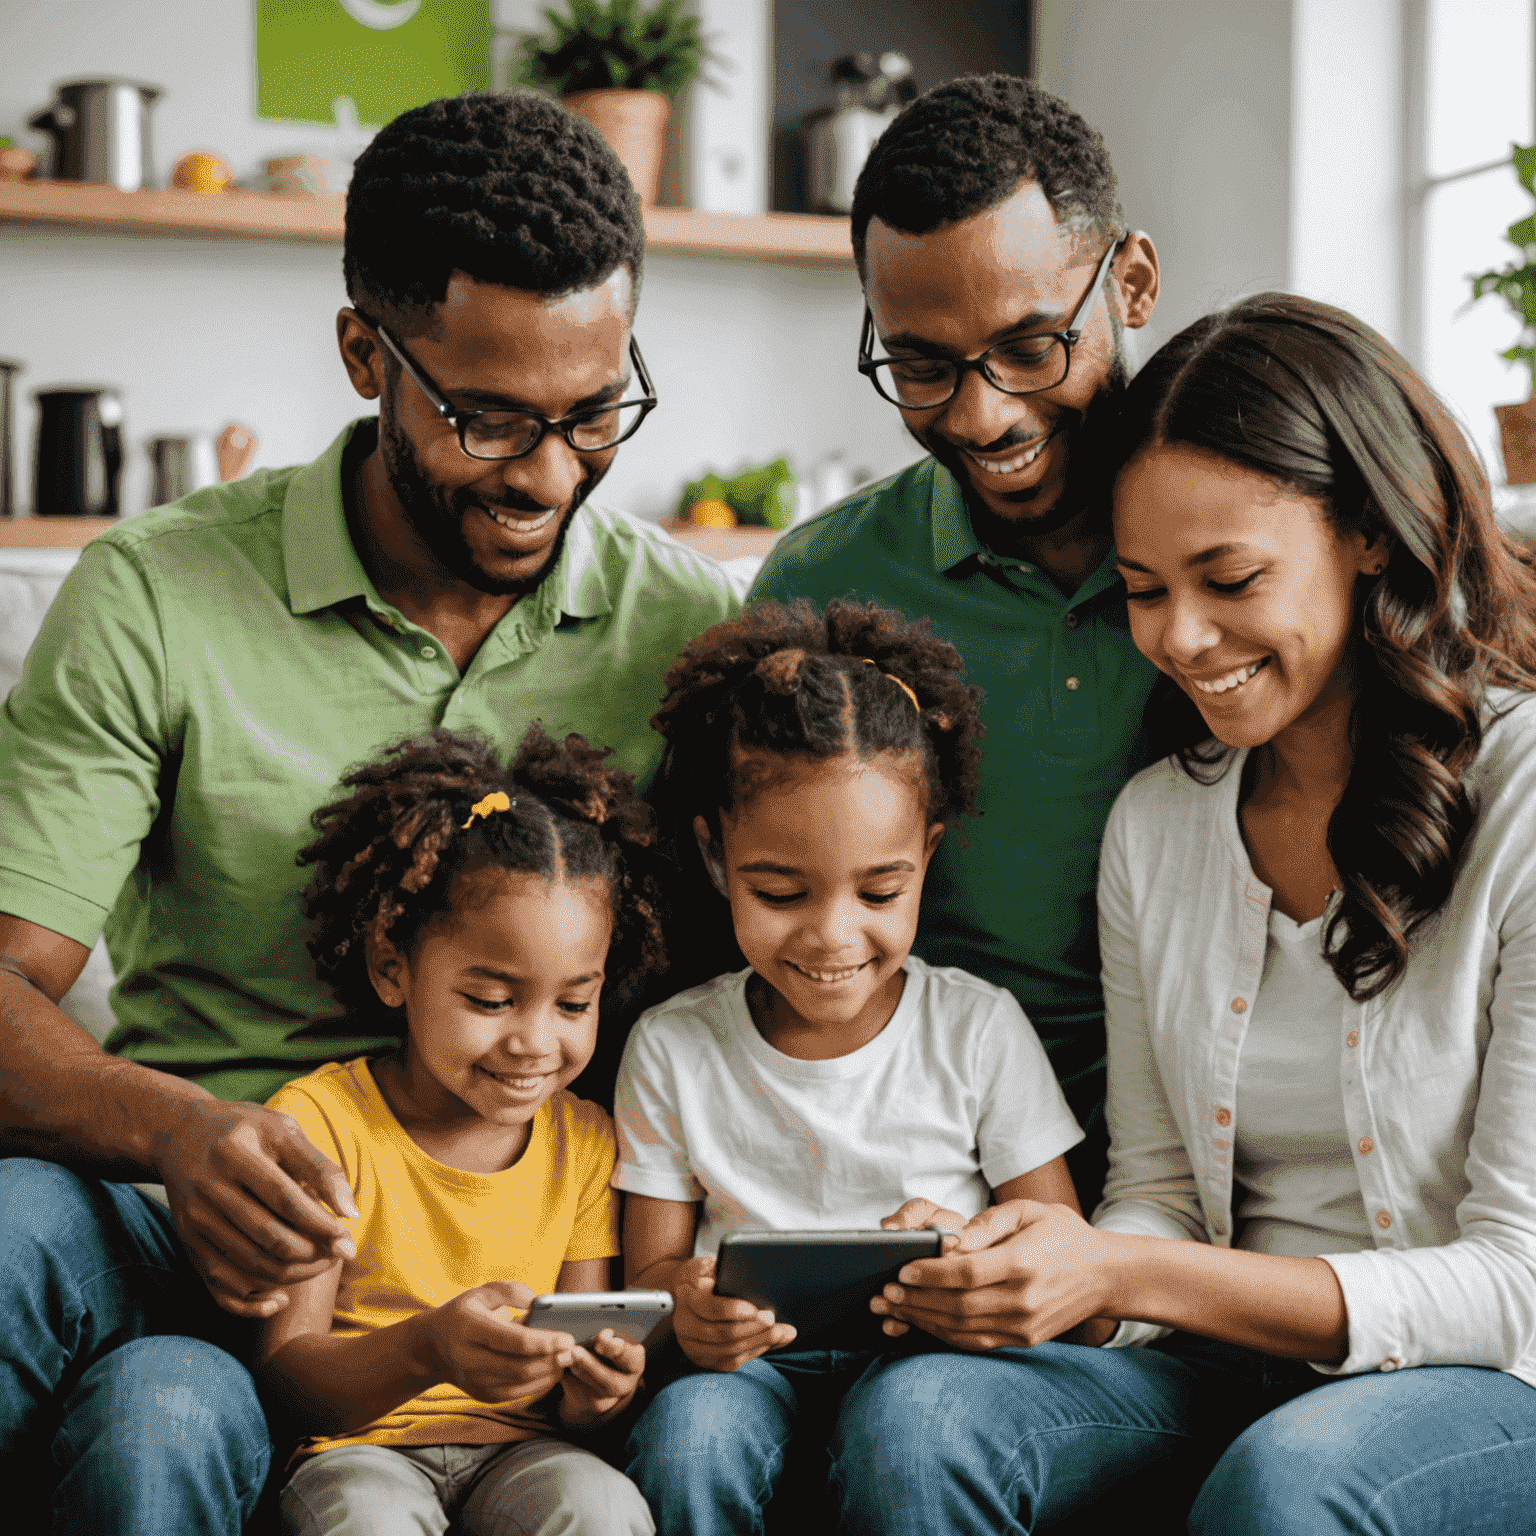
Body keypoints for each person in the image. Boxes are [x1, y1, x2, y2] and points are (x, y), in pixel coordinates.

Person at [0, 92, 735, 1531]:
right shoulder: (154, 593)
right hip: (189, 1219)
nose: (548, 475)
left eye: (595, 414)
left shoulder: (684, 629)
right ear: (365, 355)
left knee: (170, 1416)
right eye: (489, 418)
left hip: (522, 1230)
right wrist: (172, 1134)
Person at [867, 295, 1536, 1532]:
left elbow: (1517, 1286)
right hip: (1228, 1365)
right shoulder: (1160, 826)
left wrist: (1126, 1269)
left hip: (1493, 1382)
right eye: (1142, 588)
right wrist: (1032, 1263)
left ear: (1370, 537)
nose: (1179, 637)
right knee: (923, 1418)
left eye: (1230, 579)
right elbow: (1162, 1195)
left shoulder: (1525, 797)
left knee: (1295, 1479)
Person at [749, 73, 1162, 1212]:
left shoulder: (1236, 552)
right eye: (922, 365)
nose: (981, 417)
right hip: (929, 1171)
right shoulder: (820, 584)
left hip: (1217, 1160)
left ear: (1130, 283)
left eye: (1031, 347)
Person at [615, 598, 1084, 1535]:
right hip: (749, 1373)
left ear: (927, 857)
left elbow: (1064, 1245)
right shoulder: (674, 1046)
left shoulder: (977, 1026)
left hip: (936, 1362)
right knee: (689, 1439)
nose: (832, 936)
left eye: (880, 890)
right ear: (716, 855)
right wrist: (692, 1313)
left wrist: (968, 1242)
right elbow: (654, 1277)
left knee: (912, 1432)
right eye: (781, 892)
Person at [259, 724, 662, 1535]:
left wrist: (600, 1390)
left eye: (574, 1003)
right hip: (357, 1450)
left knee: (602, 1506)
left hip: (525, 1454)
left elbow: (578, 1391)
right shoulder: (320, 1125)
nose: (535, 1043)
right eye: (490, 1000)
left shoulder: (584, 1141)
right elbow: (286, 1378)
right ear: (391, 967)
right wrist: (429, 1349)